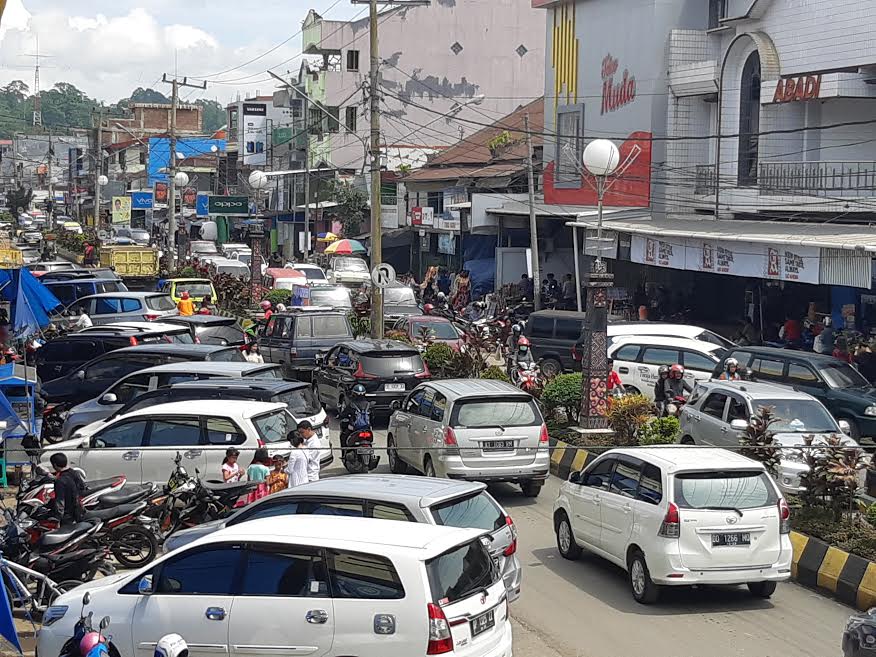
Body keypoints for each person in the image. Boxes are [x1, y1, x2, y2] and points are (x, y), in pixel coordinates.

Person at [49, 452, 84, 525]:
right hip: (78, 511)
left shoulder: (60, 481)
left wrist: (58, 518)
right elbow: (82, 488)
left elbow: (60, 501)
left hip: (68, 516)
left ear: (54, 465)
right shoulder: (74, 473)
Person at [338, 384, 372, 452]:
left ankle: (344, 454)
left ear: (354, 394)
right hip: (367, 428)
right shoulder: (369, 405)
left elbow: (344, 414)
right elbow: (372, 416)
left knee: (343, 436)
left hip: (354, 428)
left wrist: (341, 414)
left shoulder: (351, 405)